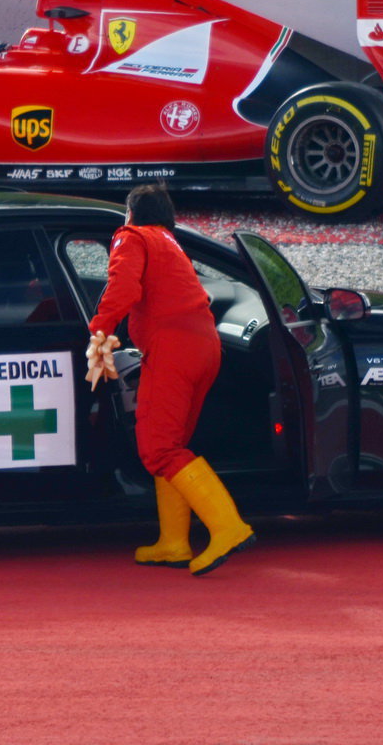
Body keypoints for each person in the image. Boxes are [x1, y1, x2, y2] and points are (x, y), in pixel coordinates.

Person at [87, 184, 256, 575]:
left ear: (131, 213)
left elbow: (123, 287)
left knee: (158, 448)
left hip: (172, 350)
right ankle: (174, 542)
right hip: (205, 347)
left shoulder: (131, 236)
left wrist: (99, 329)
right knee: (173, 444)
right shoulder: (170, 242)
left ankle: (228, 527)